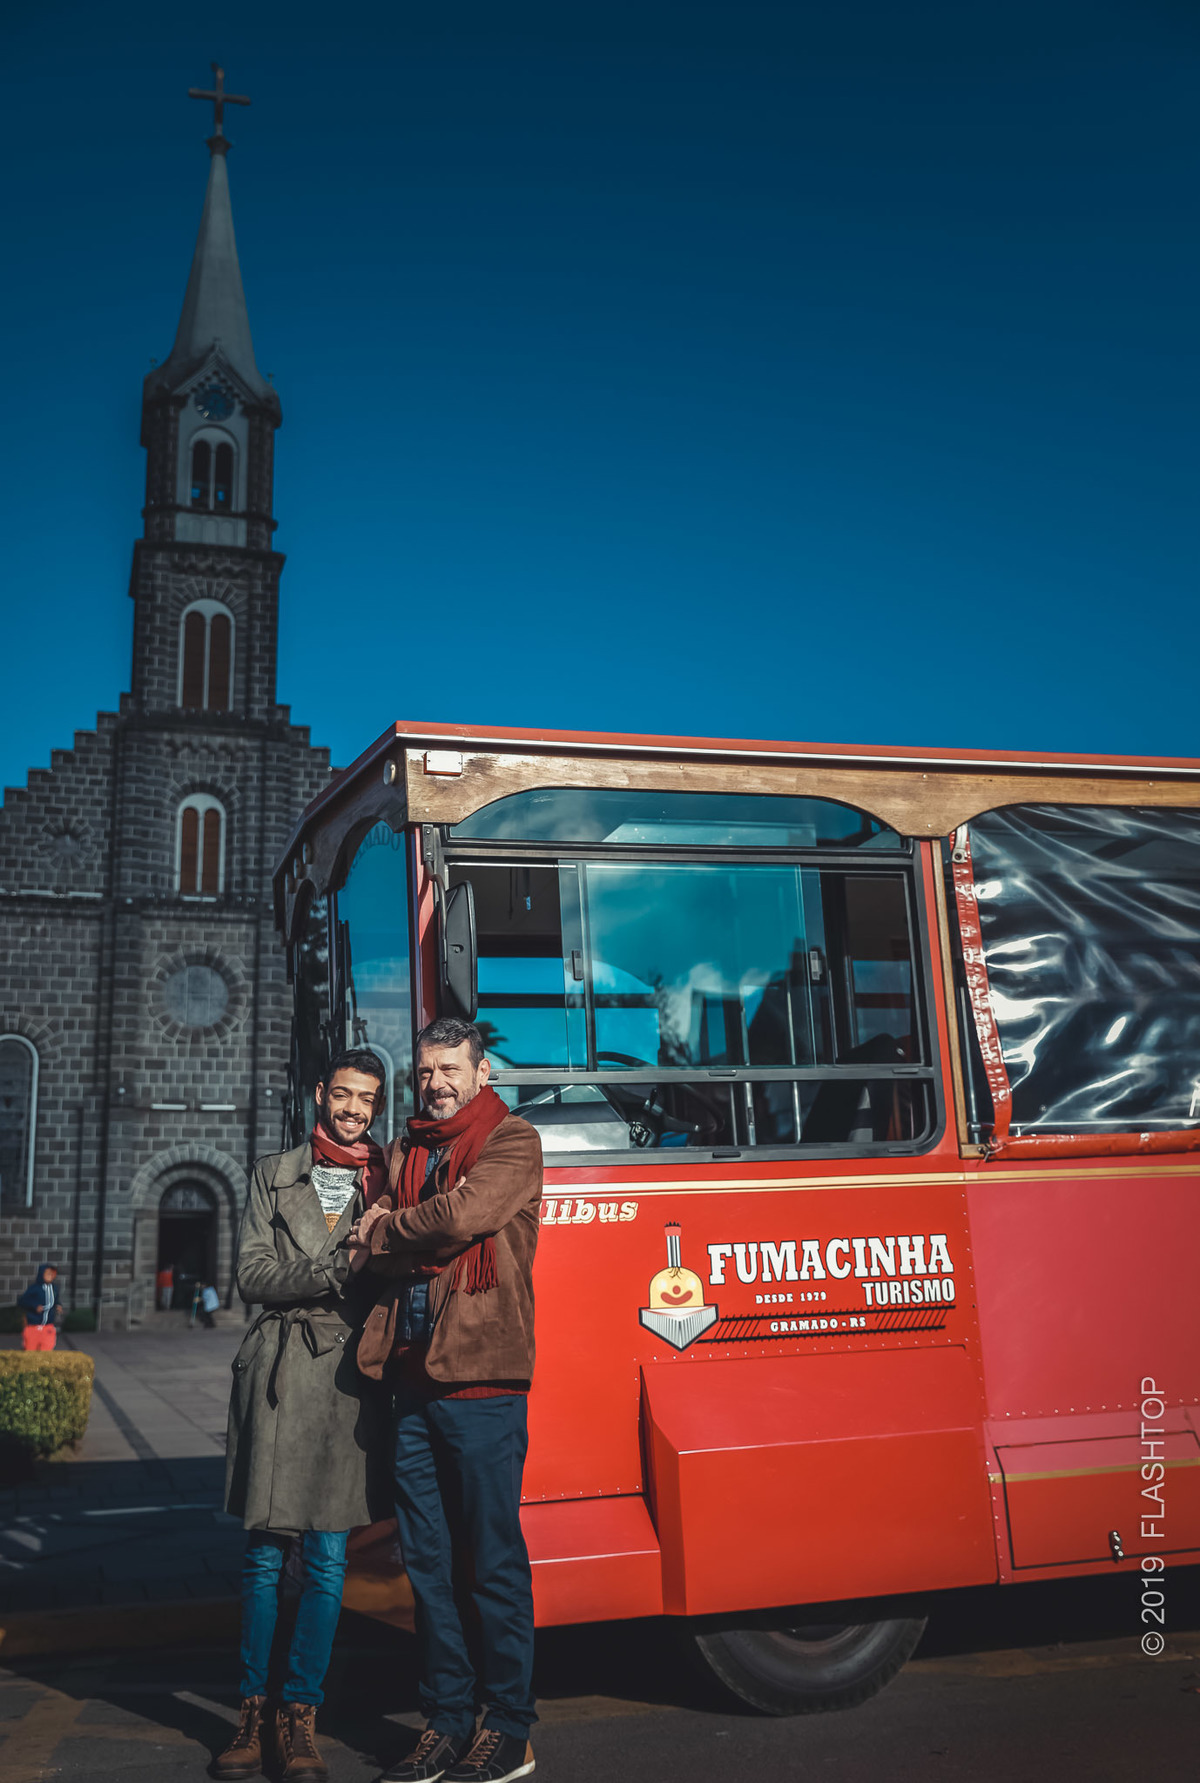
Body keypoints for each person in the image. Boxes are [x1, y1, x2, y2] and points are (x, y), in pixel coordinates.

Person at [350, 1017, 542, 1783]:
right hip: (410, 1379)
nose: (435, 1082)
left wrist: (391, 1227)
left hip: (484, 1381)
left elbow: (463, 1216)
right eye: (425, 1070)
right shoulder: (406, 1149)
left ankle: (510, 1727)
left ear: (481, 1069)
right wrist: (402, 1234)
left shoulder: (511, 1140)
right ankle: (446, 1719)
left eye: (450, 1068)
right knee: (428, 1567)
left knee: (492, 1562)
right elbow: (383, 1245)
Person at [214, 1048, 390, 1783]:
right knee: (262, 1556)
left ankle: (301, 1715)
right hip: (280, 1374)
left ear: (377, 1107)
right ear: (320, 1093)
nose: (353, 1109)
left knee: (325, 1560)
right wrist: (334, 1267)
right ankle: (251, 1711)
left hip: (347, 1381)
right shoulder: (269, 1172)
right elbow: (252, 1275)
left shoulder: (389, 1182)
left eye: (366, 1100)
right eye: (342, 1094)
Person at [19, 1263, 62, 1351]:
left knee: (47, 1350)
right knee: (30, 1350)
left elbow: (55, 1300)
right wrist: (34, 1306)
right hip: (33, 1326)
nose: (50, 1276)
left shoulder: (54, 1288)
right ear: (42, 1274)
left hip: (48, 1327)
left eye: (52, 1274)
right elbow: (22, 1301)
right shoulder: (34, 1288)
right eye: (48, 1273)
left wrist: (58, 1305)